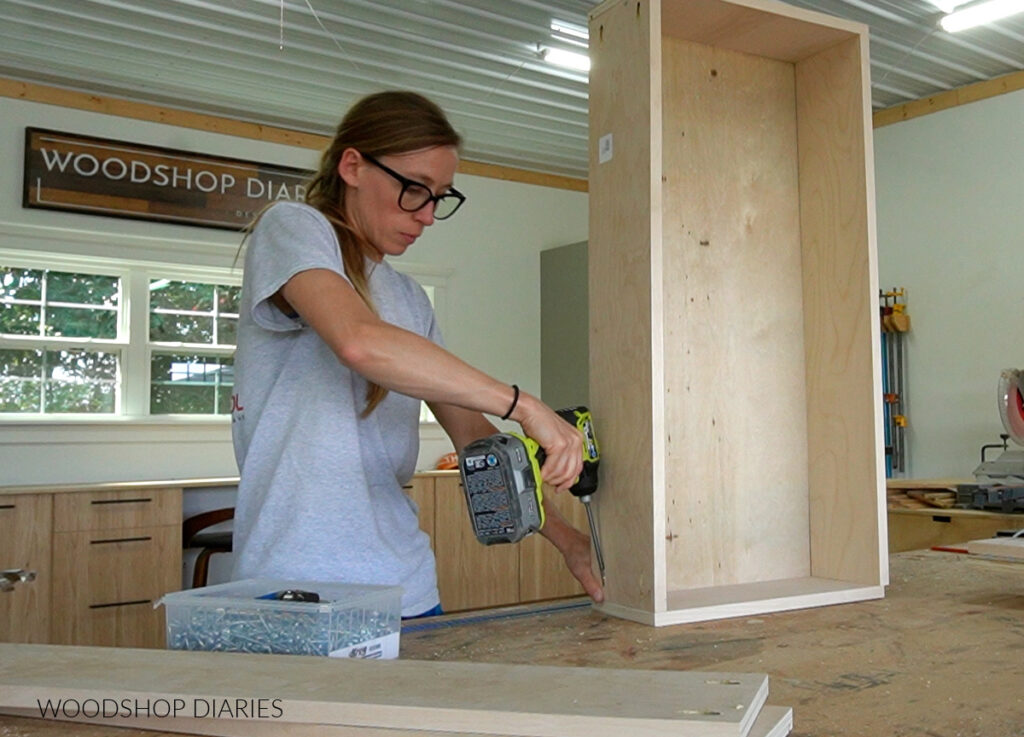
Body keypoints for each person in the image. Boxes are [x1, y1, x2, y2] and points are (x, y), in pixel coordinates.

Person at [230, 90, 604, 618]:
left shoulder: (407, 298)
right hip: (293, 585)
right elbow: (359, 341)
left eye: (440, 197)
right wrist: (526, 406)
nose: (427, 215)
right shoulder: (293, 228)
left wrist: (568, 539)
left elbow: (476, 441)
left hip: (406, 588)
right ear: (353, 166)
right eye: (414, 190)